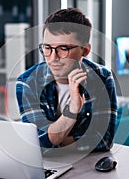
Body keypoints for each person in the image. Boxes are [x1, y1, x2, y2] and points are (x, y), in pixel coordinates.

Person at [16, 8, 117, 152]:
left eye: (63, 48)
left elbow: (104, 139)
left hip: (87, 167)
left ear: (85, 50)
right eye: (47, 48)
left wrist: (55, 142)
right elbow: (38, 143)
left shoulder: (102, 77)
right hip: (45, 167)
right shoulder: (27, 82)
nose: (53, 57)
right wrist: (73, 109)